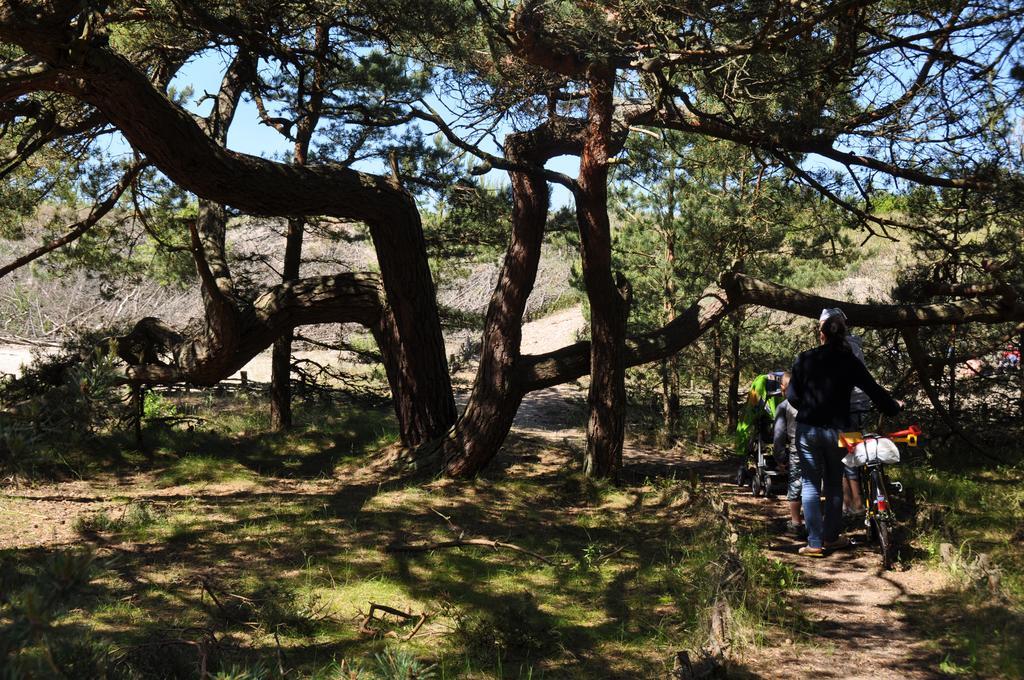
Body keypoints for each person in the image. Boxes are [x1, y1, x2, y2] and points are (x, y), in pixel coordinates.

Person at [786, 309, 902, 558]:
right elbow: (874, 390)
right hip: (838, 431)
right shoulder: (850, 361)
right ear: (844, 334)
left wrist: (808, 409)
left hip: (807, 430)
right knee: (834, 484)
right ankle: (831, 537)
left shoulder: (804, 359)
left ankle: (814, 543)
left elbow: (792, 396)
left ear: (821, 334)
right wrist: (893, 408)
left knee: (810, 485)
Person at [772, 372, 803, 537]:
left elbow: (779, 435)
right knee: (813, 486)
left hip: (797, 448)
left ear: (783, 387)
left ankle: (796, 523)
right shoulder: (810, 402)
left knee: (795, 485)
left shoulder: (783, 406)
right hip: (817, 447)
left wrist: (780, 457)